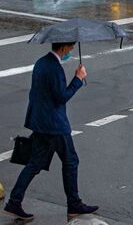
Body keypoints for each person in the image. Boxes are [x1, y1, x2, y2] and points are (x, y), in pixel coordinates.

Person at [3, 42, 97, 221]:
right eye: (70, 47)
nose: (71, 50)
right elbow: (62, 97)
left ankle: (14, 202)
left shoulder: (41, 62)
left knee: (35, 163)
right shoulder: (55, 68)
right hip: (54, 125)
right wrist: (78, 79)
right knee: (70, 161)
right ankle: (74, 204)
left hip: (40, 122)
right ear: (63, 47)